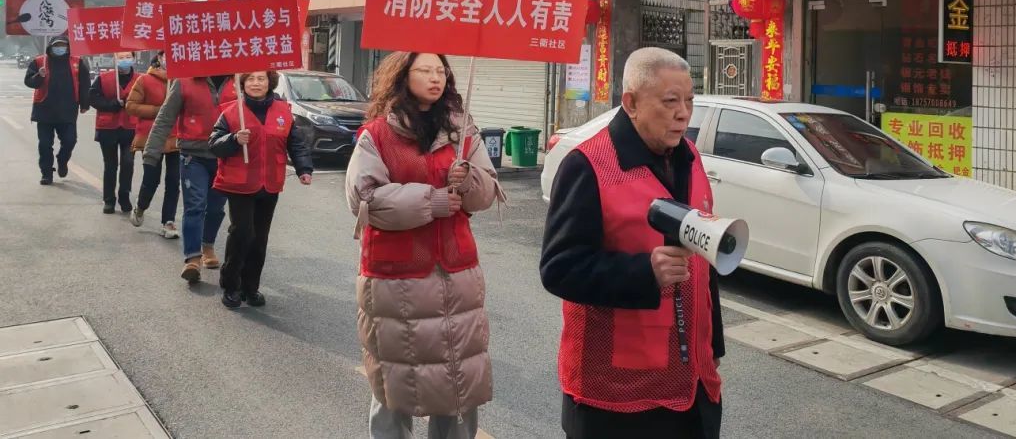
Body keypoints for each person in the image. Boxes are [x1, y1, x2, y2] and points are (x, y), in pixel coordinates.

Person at [540, 47, 724, 439]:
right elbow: (559, 268)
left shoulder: (689, 156)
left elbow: (701, 266)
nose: (683, 113)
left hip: (694, 386)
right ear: (631, 103)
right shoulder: (589, 165)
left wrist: (713, 349)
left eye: (689, 101)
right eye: (670, 101)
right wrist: (644, 272)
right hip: (616, 394)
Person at [345, 52, 503, 439]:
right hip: (398, 278)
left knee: (458, 384)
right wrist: (432, 201)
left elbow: (486, 193)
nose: (436, 78)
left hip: (456, 274)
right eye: (425, 70)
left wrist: (469, 180)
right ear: (403, 76)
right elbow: (364, 199)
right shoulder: (377, 135)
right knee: (393, 384)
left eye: (440, 71)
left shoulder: (462, 130)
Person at [208, 71, 313, 309]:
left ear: (270, 82)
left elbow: (295, 143)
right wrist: (233, 139)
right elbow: (214, 144)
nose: (256, 83)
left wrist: (304, 169)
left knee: (259, 239)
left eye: (261, 79)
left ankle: (250, 287)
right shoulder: (231, 112)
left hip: (269, 184)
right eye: (251, 79)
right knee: (242, 233)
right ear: (243, 83)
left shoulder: (283, 111)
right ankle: (231, 284)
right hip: (240, 184)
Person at [143, 74, 237, 283]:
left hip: (225, 157)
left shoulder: (239, 81)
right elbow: (165, 118)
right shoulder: (184, 81)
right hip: (192, 156)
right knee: (195, 206)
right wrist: (151, 152)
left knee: (216, 208)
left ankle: (207, 245)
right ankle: (192, 258)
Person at [24, 35, 90, 186]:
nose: (60, 48)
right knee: (45, 144)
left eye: (63, 45)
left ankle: (62, 159)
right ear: (50, 47)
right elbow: (29, 81)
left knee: (70, 141)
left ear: (68, 47)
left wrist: (85, 103)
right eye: (57, 46)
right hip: (44, 111)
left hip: (68, 111)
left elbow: (85, 84)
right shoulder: (39, 62)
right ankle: (46, 173)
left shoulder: (78, 62)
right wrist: (39, 75)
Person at [127, 51, 180, 238]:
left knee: (173, 181)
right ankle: (141, 206)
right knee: (152, 180)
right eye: (166, 55)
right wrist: (159, 110)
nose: (169, 58)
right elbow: (131, 106)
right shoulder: (144, 80)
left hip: (177, 137)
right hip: (152, 138)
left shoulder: (182, 81)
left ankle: (168, 222)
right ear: (158, 58)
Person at [88, 51, 141, 214]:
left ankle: (124, 195)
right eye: (121, 57)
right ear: (115, 59)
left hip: (131, 128)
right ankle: (109, 200)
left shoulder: (140, 79)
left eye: (128, 57)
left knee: (128, 163)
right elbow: (93, 98)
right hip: (108, 128)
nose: (124, 60)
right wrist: (112, 104)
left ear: (134, 59)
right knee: (110, 165)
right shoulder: (103, 79)